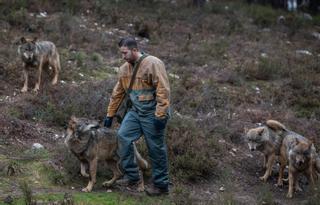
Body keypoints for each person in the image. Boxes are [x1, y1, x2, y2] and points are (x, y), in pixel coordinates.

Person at [104, 37, 170, 196]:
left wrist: (160, 115)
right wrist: (110, 115)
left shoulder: (153, 63)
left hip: (153, 113)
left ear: (134, 50)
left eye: (125, 53)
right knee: (122, 137)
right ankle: (132, 177)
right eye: (121, 53)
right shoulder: (123, 69)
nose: (123, 56)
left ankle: (161, 186)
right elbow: (117, 94)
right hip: (135, 112)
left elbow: (163, 90)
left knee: (156, 149)